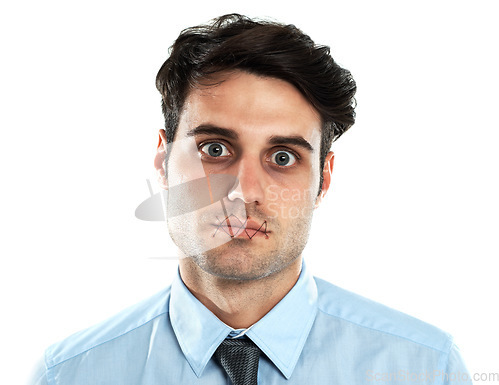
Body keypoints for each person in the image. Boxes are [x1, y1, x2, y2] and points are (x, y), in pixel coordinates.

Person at [30, 14, 472, 385]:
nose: (244, 191)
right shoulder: (69, 374)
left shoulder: (426, 369)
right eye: (215, 149)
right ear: (163, 163)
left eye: (283, 157)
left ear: (323, 179)